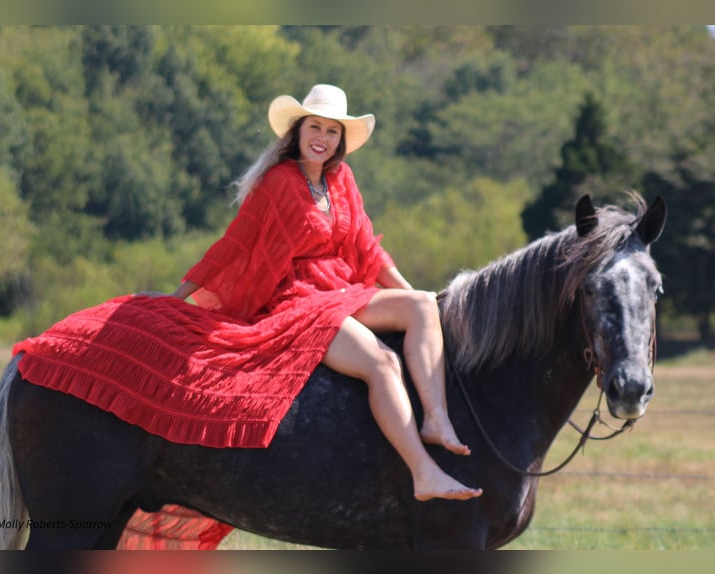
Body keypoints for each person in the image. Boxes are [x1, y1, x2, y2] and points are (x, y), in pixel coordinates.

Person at [171, 84, 482, 502]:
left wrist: (413, 290)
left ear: (341, 140)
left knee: (423, 305)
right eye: (314, 127)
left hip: (343, 289)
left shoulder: (341, 178)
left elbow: (368, 248)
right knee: (381, 361)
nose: (322, 138)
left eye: (332, 131)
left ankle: (436, 419)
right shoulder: (278, 181)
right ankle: (424, 472)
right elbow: (235, 244)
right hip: (299, 301)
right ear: (297, 132)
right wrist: (178, 296)